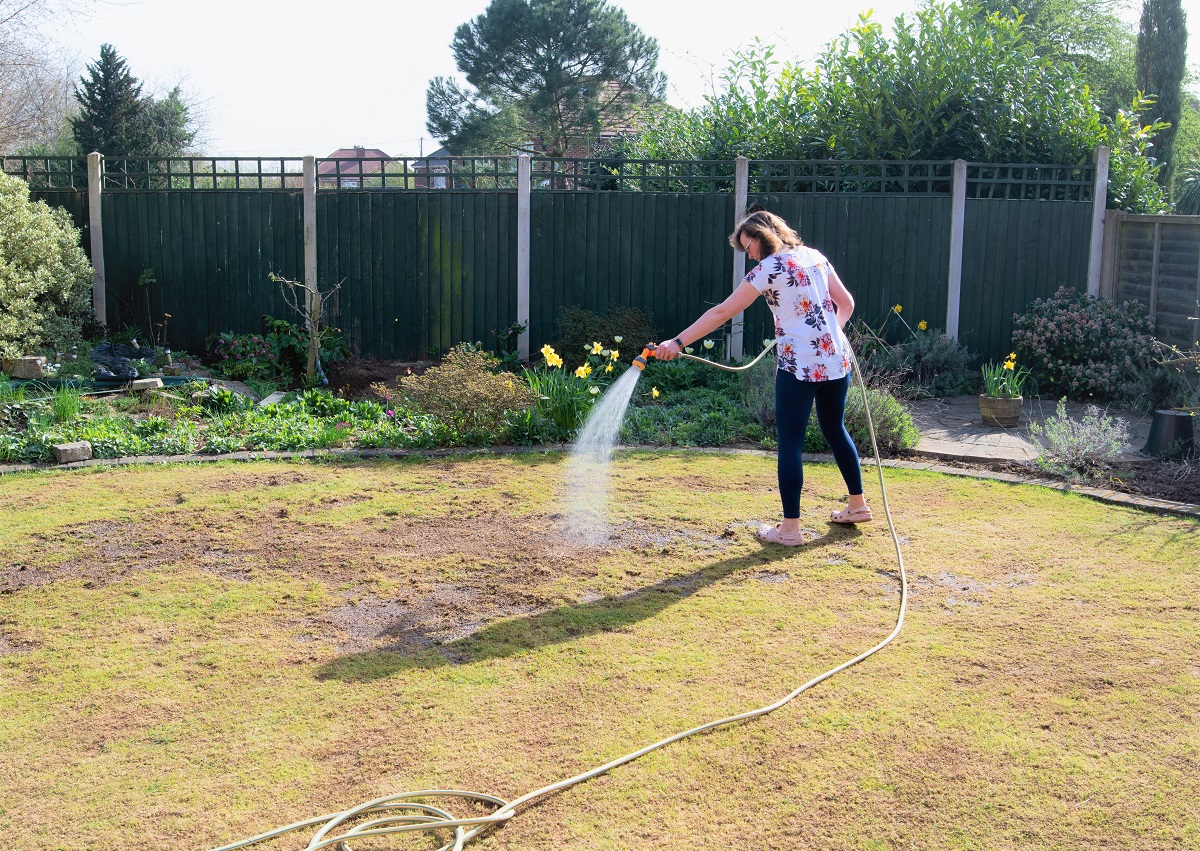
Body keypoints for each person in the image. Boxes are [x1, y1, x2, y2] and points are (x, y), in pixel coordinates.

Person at [654, 209, 871, 545]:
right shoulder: (816, 257)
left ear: (761, 235)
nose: (749, 253)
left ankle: (790, 529)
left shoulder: (767, 269)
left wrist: (678, 341)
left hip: (798, 365)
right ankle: (857, 506)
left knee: (791, 442)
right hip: (835, 360)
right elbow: (847, 304)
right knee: (834, 427)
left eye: (748, 245)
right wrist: (830, 336)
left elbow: (722, 311)